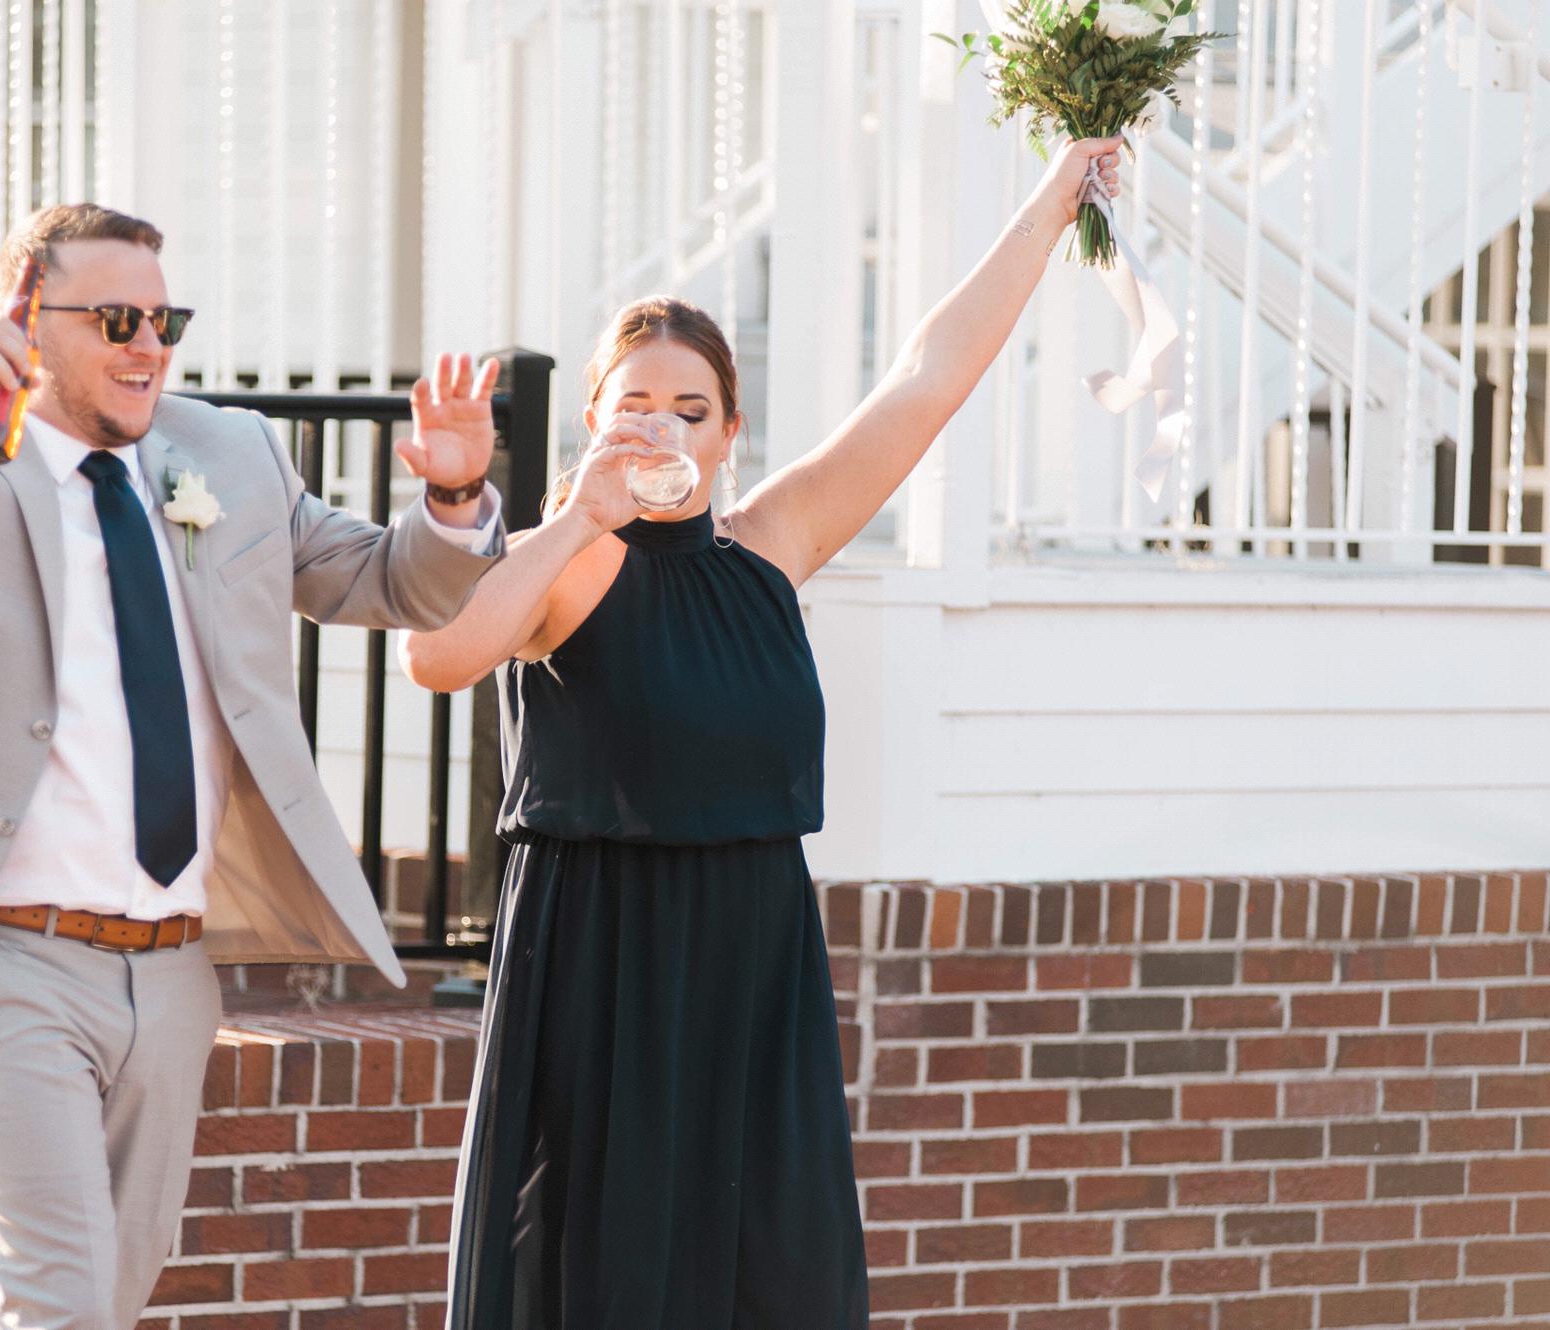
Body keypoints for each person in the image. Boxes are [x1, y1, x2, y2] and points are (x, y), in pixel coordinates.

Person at [0, 202, 507, 1330]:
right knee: (60, 1302)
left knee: (114, 1289)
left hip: (170, 971)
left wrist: (449, 499)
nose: (149, 344)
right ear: (26, 323)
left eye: (164, 317)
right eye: (118, 319)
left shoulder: (227, 454)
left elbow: (392, 583)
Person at [404, 137, 1125, 1328]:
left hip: (754, 958)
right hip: (604, 963)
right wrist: (571, 513)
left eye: (690, 409)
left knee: (770, 1273)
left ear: (727, 432)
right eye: (632, 404)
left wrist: (1050, 207)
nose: (660, 429)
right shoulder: (566, 563)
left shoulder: (768, 547)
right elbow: (440, 656)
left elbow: (923, 378)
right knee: (606, 1273)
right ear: (593, 418)